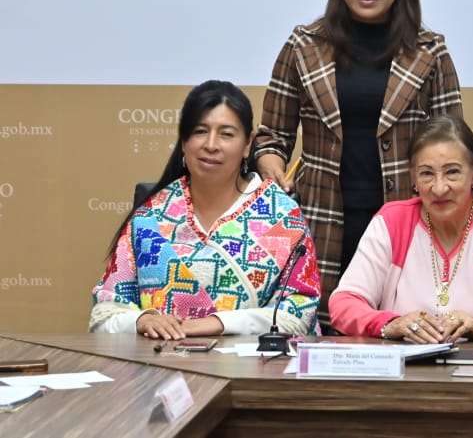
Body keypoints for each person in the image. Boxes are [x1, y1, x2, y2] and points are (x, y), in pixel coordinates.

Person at [254, 0, 462, 329]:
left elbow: (452, 147)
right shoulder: (303, 46)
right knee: (323, 333)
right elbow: (271, 138)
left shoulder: (430, 51)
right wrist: (271, 164)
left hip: (408, 221)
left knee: (406, 329)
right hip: (320, 221)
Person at [91, 80, 320, 339]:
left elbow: (300, 313)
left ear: (248, 143)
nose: (211, 144)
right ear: (184, 140)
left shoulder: (282, 217)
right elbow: (104, 315)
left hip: (252, 362)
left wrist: (220, 323)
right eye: (200, 131)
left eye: (226, 134)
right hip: (158, 360)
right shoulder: (150, 217)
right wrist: (142, 320)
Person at [329, 114, 473, 341]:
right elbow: (343, 303)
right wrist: (390, 324)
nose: (439, 188)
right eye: (426, 174)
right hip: (407, 366)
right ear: (413, 178)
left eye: (452, 172)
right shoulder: (392, 222)